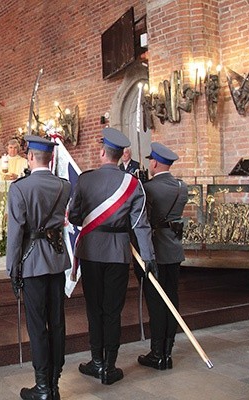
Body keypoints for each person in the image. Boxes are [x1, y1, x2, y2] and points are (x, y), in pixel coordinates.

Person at [68, 127, 155, 385]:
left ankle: (96, 361)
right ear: (121, 155)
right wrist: (148, 257)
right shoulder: (133, 184)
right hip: (118, 253)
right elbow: (140, 224)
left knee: (94, 309)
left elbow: (73, 215)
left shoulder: (85, 180)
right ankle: (110, 367)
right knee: (113, 310)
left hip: (92, 251)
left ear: (103, 152)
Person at [7, 135, 72, 400]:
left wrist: (12, 268)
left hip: (32, 263)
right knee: (57, 323)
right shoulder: (64, 186)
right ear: (51, 158)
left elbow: (15, 233)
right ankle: (54, 384)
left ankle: (43, 388)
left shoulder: (19, 188)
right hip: (56, 260)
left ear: (30, 157)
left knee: (37, 326)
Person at [137, 142, 188, 371]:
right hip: (174, 250)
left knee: (156, 303)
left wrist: (141, 184)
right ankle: (168, 351)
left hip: (154, 251)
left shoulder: (147, 188)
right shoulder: (181, 186)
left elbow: (143, 220)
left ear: (155, 163)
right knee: (172, 299)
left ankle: (157, 353)